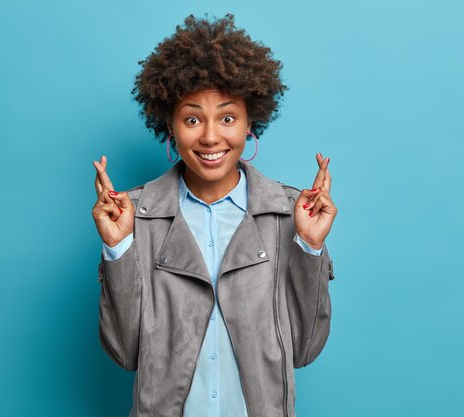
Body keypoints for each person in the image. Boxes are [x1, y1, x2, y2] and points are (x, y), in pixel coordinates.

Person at [91, 13, 338, 417]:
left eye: (227, 117)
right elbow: (125, 353)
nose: (209, 136)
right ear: (169, 125)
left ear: (248, 125)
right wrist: (117, 248)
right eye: (192, 119)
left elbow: (305, 348)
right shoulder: (135, 215)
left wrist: (310, 247)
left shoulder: (289, 213)